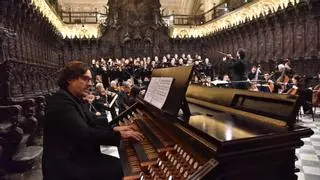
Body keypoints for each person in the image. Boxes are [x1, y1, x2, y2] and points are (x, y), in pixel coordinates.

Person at [42, 61, 143, 180]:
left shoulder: (73, 99)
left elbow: (93, 122)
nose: (90, 84)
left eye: (91, 80)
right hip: (65, 166)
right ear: (70, 79)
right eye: (86, 79)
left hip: (78, 156)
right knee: (121, 167)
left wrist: (115, 128)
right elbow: (83, 133)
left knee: (121, 163)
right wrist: (118, 135)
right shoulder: (61, 102)